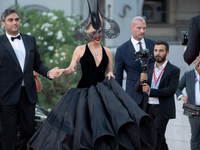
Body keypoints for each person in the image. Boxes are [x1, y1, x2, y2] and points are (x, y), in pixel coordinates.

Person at [28, 0, 157, 149]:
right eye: (94, 32)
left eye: (100, 32)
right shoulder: (80, 49)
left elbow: (109, 70)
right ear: (88, 34)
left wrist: (110, 74)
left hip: (103, 92)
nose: (98, 35)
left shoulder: (108, 51)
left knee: (104, 123)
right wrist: (62, 71)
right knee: (82, 125)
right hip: (82, 93)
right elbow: (72, 69)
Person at [0, 8, 59, 150]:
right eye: (10, 20)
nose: (14, 22)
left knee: (28, 130)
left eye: (16, 19)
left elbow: (37, 63)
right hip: (6, 96)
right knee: (9, 134)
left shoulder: (30, 40)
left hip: (27, 94)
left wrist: (48, 72)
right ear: (3, 23)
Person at [135, 41, 180, 150]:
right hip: (148, 107)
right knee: (160, 140)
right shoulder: (148, 67)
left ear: (167, 52)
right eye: (155, 50)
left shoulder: (174, 70)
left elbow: (171, 90)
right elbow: (137, 89)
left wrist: (151, 91)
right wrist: (140, 81)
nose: (158, 53)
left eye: (161, 51)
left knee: (155, 137)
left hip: (162, 108)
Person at [114, 16, 155, 108]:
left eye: (144, 28)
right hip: (132, 97)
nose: (142, 31)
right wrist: (118, 99)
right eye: (139, 28)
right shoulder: (122, 50)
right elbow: (118, 78)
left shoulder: (153, 45)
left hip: (153, 96)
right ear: (131, 28)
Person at [176, 56, 200, 150]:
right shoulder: (188, 74)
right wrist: (181, 96)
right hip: (194, 110)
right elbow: (177, 88)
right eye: (198, 59)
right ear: (194, 61)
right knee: (196, 137)